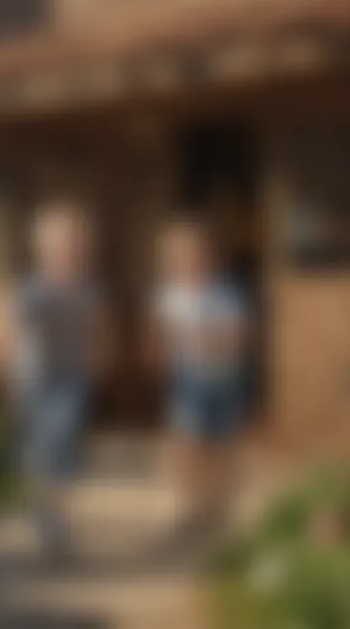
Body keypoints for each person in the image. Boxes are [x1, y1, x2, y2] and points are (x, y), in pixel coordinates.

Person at [9, 203, 107, 561]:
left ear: (82, 248)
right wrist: (16, 373)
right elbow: (18, 333)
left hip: (71, 380)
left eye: (72, 244)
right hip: (35, 381)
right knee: (39, 456)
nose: (66, 251)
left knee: (63, 448)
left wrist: (96, 358)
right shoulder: (32, 290)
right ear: (43, 248)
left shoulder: (88, 290)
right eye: (58, 244)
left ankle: (59, 521)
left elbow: (95, 330)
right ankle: (45, 515)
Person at [149, 217, 248, 548]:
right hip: (186, 377)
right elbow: (162, 336)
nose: (189, 263)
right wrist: (163, 353)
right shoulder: (168, 295)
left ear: (210, 258)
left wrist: (203, 340)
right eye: (180, 257)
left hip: (222, 378)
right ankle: (189, 508)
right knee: (186, 444)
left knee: (221, 446)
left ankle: (221, 507)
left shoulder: (226, 295)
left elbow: (235, 339)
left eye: (196, 256)